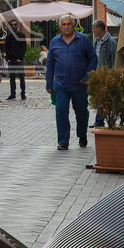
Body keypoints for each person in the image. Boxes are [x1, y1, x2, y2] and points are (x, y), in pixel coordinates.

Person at [45, 13, 98, 150]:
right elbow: (50, 64)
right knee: (61, 112)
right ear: (60, 27)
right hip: (61, 84)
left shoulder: (83, 40)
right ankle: (63, 141)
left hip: (79, 84)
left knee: (81, 112)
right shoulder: (55, 42)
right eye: (64, 24)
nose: (67, 27)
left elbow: (93, 59)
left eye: (69, 24)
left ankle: (82, 135)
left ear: (74, 25)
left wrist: (87, 77)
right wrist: (49, 83)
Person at [90, 19, 117, 129]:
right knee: (100, 97)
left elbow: (114, 60)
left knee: (104, 98)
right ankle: (99, 120)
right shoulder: (97, 41)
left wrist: (113, 75)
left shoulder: (111, 42)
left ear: (100, 29)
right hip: (98, 74)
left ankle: (100, 120)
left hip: (106, 75)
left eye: (94, 28)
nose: (92, 30)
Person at [1, 20, 28, 100]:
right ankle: (12, 94)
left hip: (19, 60)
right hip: (11, 60)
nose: (13, 26)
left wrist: (20, 58)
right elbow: (6, 48)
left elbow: (24, 48)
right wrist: (8, 59)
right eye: (12, 25)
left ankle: (23, 94)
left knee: (21, 78)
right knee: (12, 78)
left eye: (15, 24)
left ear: (17, 25)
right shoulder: (8, 37)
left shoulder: (22, 35)